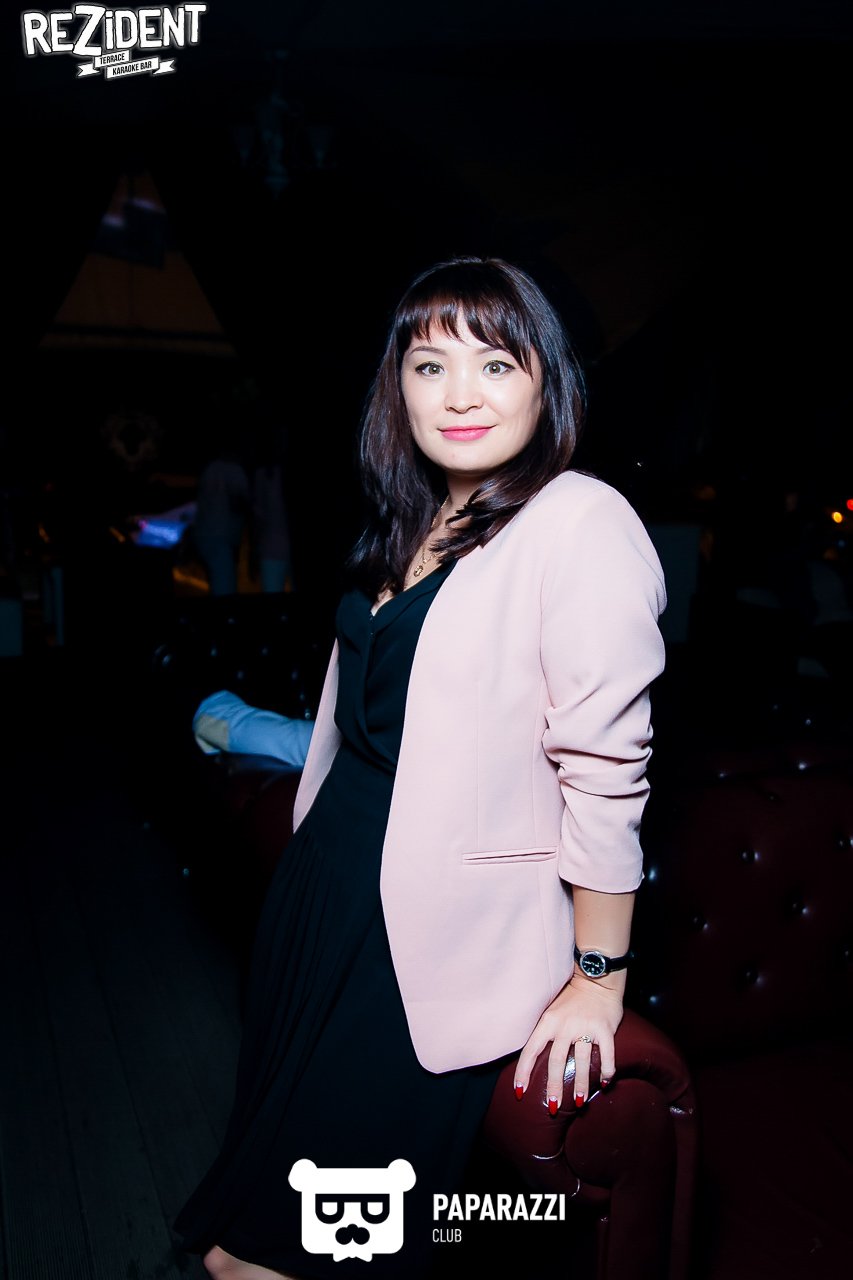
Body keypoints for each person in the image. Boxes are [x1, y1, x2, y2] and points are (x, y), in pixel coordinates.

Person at [172, 256, 667, 1279]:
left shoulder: (580, 522)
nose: (459, 394)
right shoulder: (417, 514)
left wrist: (597, 977)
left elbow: (605, 771)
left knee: (299, 1248)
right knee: (240, 1241)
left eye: (496, 363)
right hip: (325, 895)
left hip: (430, 941)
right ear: (396, 387)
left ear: (547, 381)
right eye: (430, 365)